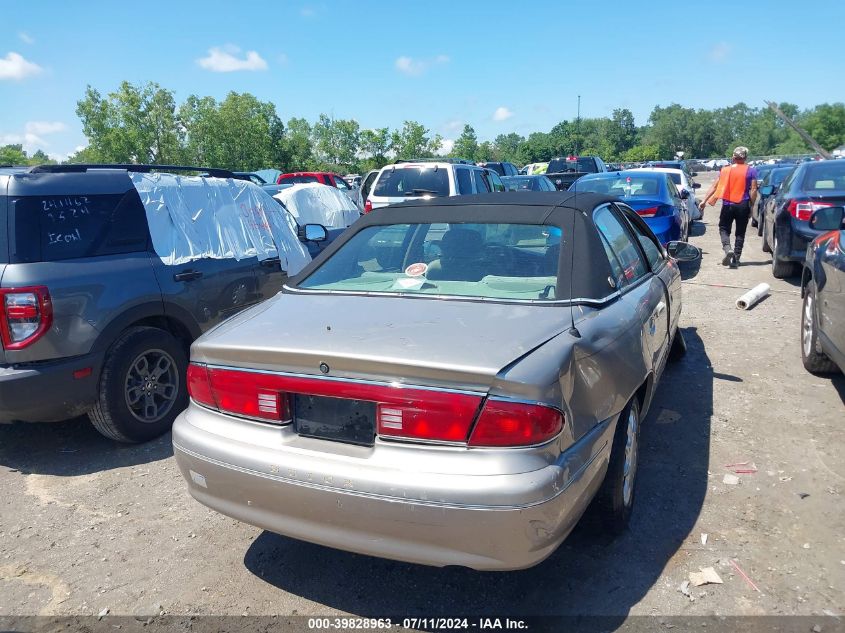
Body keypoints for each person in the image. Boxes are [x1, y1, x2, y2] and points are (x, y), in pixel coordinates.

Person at [699, 146, 757, 268]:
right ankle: (736, 259)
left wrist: (704, 200)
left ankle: (727, 249)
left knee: (723, 228)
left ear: (733, 157)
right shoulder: (751, 170)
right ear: (745, 158)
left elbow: (714, 187)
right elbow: (753, 189)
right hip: (743, 204)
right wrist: (751, 205)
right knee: (740, 233)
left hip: (727, 205)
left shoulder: (725, 170)